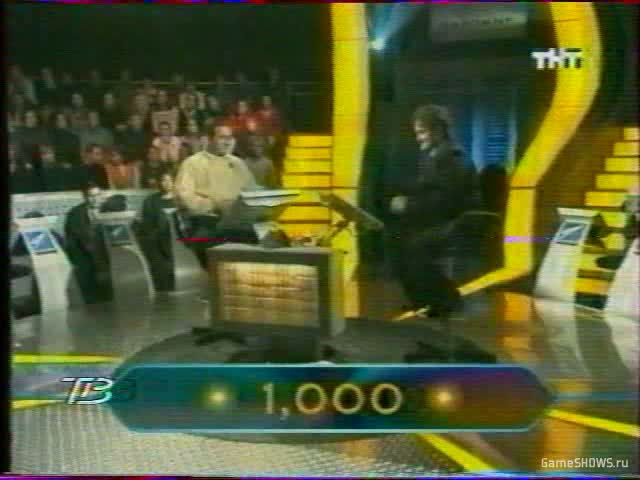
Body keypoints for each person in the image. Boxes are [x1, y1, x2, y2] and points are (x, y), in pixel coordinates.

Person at [387, 104, 478, 318]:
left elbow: (446, 201)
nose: (418, 138)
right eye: (417, 133)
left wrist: (408, 205)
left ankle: (445, 301)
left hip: (454, 222)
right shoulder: (433, 155)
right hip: (436, 220)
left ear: (438, 130)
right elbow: (429, 191)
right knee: (397, 243)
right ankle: (422, 301)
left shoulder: (453, 157)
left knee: (414, 248)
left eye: (422, 132)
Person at [174, 124, 258, 266]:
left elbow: (253, 192)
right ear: (209, 139)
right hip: (207, 221)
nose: (227, 142)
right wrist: (215, 205)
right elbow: (183, 197)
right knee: (210, 239)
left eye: (230, 138)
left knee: (261, 239)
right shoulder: (192, 163)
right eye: (222, 138)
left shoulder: (238, 163)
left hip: (238, 221)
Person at [65, 182, 113, 304]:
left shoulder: (111, 210)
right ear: (85, 197)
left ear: (102, 195)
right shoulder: (75, 214)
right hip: (86, 262)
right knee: (92, 301)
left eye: (98, 195)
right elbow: (71, 241)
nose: (95, 199)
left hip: (109, 260)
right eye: (91, 196)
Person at [137, 171, 177, 291]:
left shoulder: (182, 199)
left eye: (170, 180)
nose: (167, 183)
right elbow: (146, 225)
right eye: (164, 180)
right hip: (157, 243)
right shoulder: (151, 200)